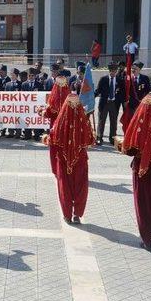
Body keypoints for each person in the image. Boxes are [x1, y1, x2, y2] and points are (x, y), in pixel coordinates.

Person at [116, 94, 151, 251]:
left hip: (141, 170)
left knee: (143, 204)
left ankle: (146, 240)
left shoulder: (137, 125)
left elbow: (130, 150)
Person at [43, 94, 95, 224]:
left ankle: (67, 215)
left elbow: (52, 139)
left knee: (64, 187)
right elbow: (91, 139)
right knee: (80, 187)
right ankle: (77, 214)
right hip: (80, 159)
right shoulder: (84, 121)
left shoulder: (60, 122)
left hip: (63, 159)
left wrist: (45, 138)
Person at [39, 76, 70, 175]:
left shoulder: (53, 98)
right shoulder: (69, 97)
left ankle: (56, 169)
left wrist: (41, 111)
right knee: (65, 147)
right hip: (66, 128)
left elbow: (48, 112)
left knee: (54, 148)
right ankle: (65, 168)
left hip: (55, 128)